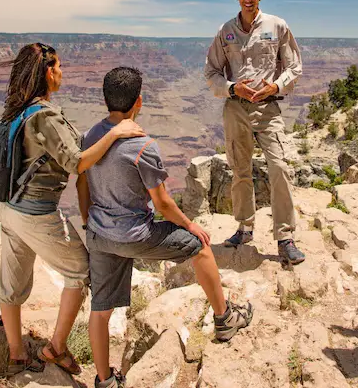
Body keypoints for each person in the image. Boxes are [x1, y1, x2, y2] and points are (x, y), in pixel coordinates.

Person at [80, 67, 254, 388]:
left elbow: (84, 182)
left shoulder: (91, 137)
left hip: (100, 236)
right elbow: (162, 205)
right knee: (200, 246)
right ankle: (225, 318)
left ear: (106, 100)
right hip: (135, 236)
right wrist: (190, 225)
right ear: (139, 102)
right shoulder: (143, 145)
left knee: (101, 310)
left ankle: (104, 380)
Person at [0, 43, 145, 377]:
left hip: (9, 209)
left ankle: (17, 356)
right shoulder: (45, 115)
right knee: (80, 271)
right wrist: (117, 132)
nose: (62, 72)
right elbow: (76, 162)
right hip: (36, 213)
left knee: (12, 284)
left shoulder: (15, 110)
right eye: (59, 66)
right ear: (49, 73)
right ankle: (56, 347)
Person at [204, 0, 306, 265]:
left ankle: (285, 237)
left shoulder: (277, 26)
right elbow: (212, 71)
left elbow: (294, 65)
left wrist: (276, 86)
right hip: (236, 107)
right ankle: (244, 227)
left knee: (280, 166)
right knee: (240, 169)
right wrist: (232, 87)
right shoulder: (225, 31)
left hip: (267, 108)